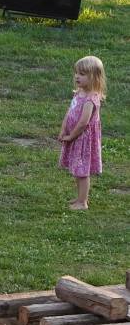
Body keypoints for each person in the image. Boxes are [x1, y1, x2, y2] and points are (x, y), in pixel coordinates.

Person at [58, 55, 105, 211]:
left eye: (82, 74)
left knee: (82, 171)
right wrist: (63, 129)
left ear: (94, 77)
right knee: (77, 170)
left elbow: (83, 123)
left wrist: (71, 136)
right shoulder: (79, 93)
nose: (77, 76)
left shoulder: (91, 99)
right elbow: (70, 112)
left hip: (83, 139)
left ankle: (82, 202)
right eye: (77, 73)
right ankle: (79, 197)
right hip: (75, 137)